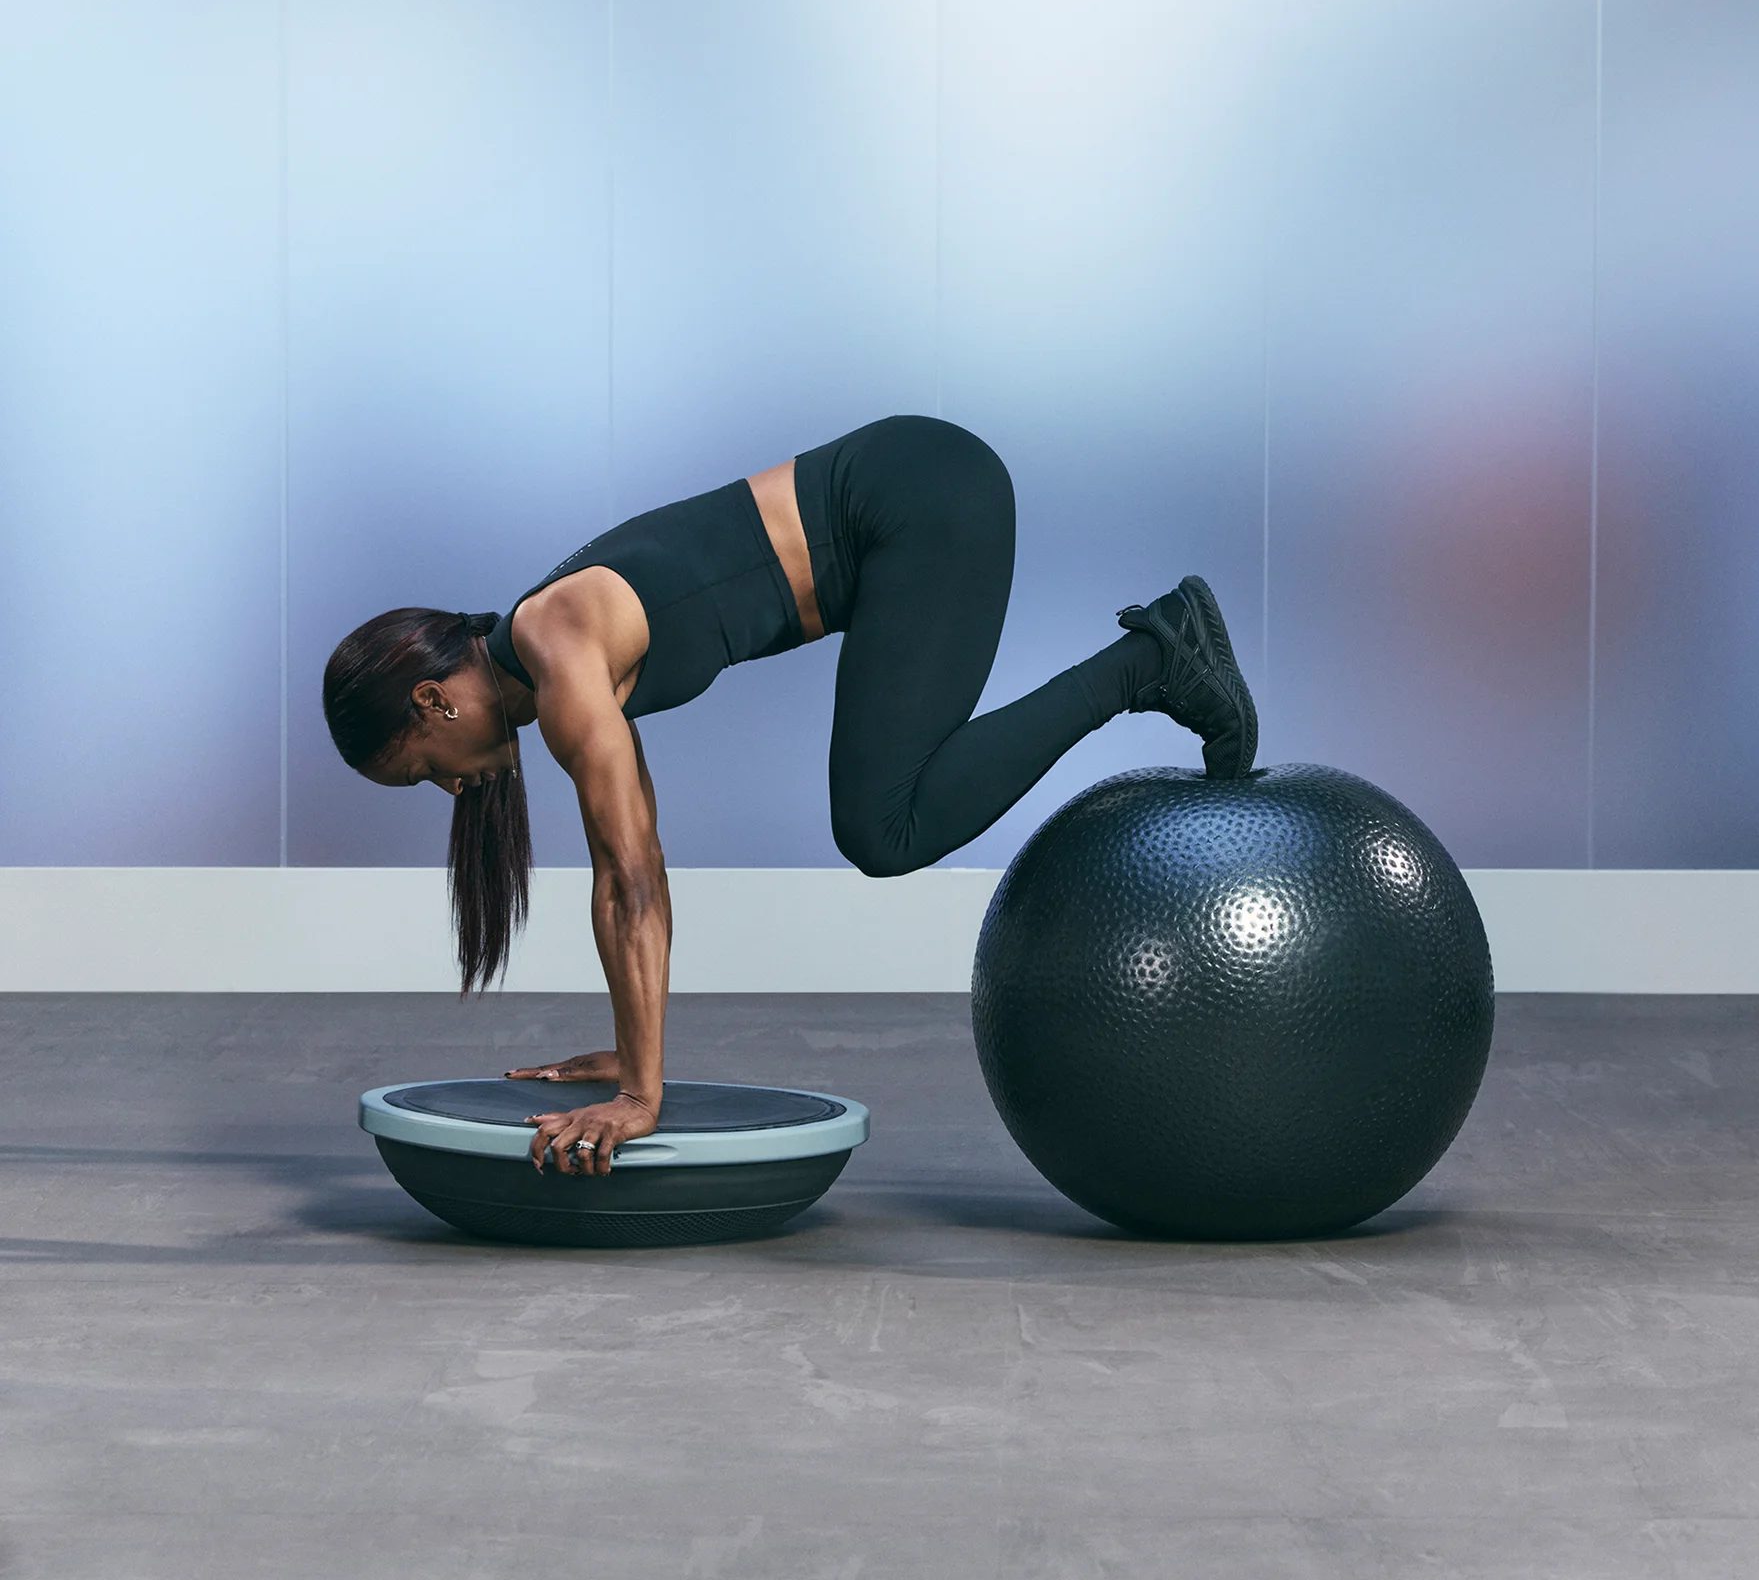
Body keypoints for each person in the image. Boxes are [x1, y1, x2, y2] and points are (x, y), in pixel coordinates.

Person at [323, 413, 1257, 1176]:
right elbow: (638, 856)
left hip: (922, 496)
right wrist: (630, 1056)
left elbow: (628, 877)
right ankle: (1153, 659)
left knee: (883, 828)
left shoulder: (560, 647)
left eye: (424, 766)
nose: (451, 787)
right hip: (915, 492)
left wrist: (640, 1101)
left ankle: (1152, 659)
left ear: (433, 698)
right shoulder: (563, 659)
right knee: (881, 823)